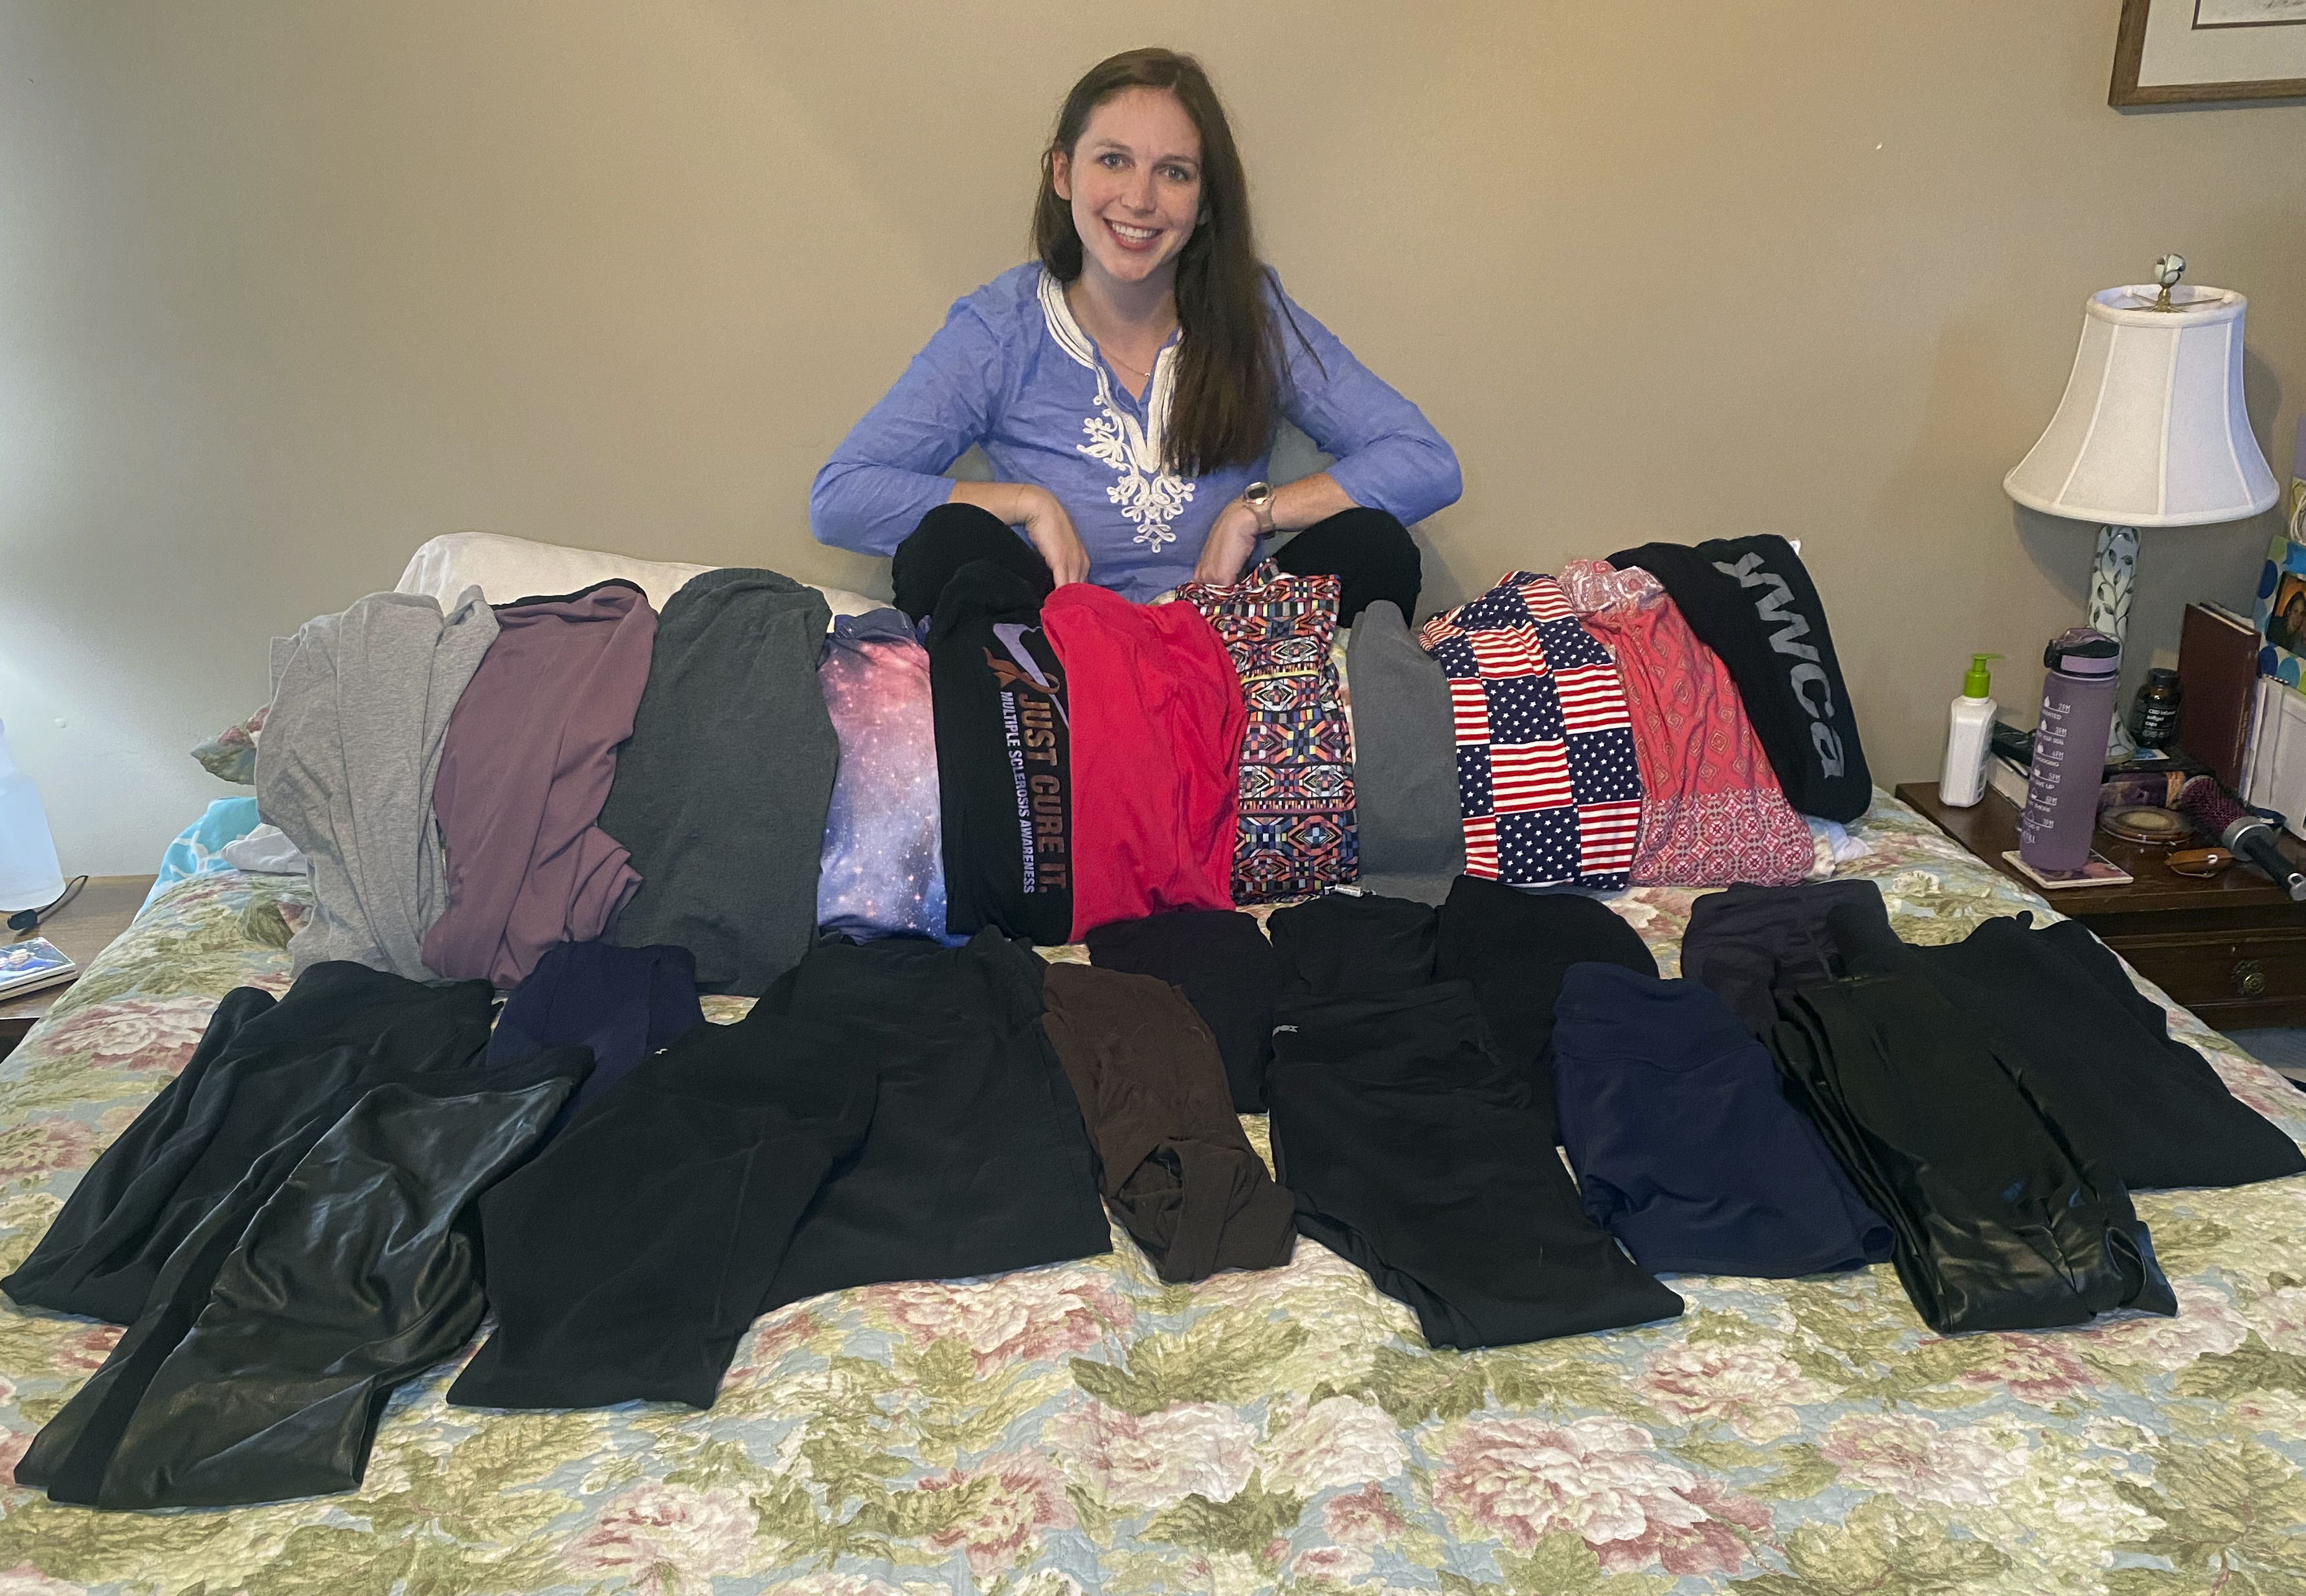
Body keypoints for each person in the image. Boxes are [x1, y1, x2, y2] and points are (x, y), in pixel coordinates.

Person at [810, 47, 1461, 626]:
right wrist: (1026, 503)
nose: (1140, 198)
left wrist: (1254, 513)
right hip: (1060, 661)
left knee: (1375, 546)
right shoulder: (1001, 327)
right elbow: (842, 498)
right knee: (946, 544)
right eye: (1113, 161)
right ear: (1063, 174)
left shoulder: (1250, 312)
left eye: (1174, 172)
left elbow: (1424, 462)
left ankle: (1273, 754)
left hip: (1229, 652)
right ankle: (1025, 757)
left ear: (1205, 202)